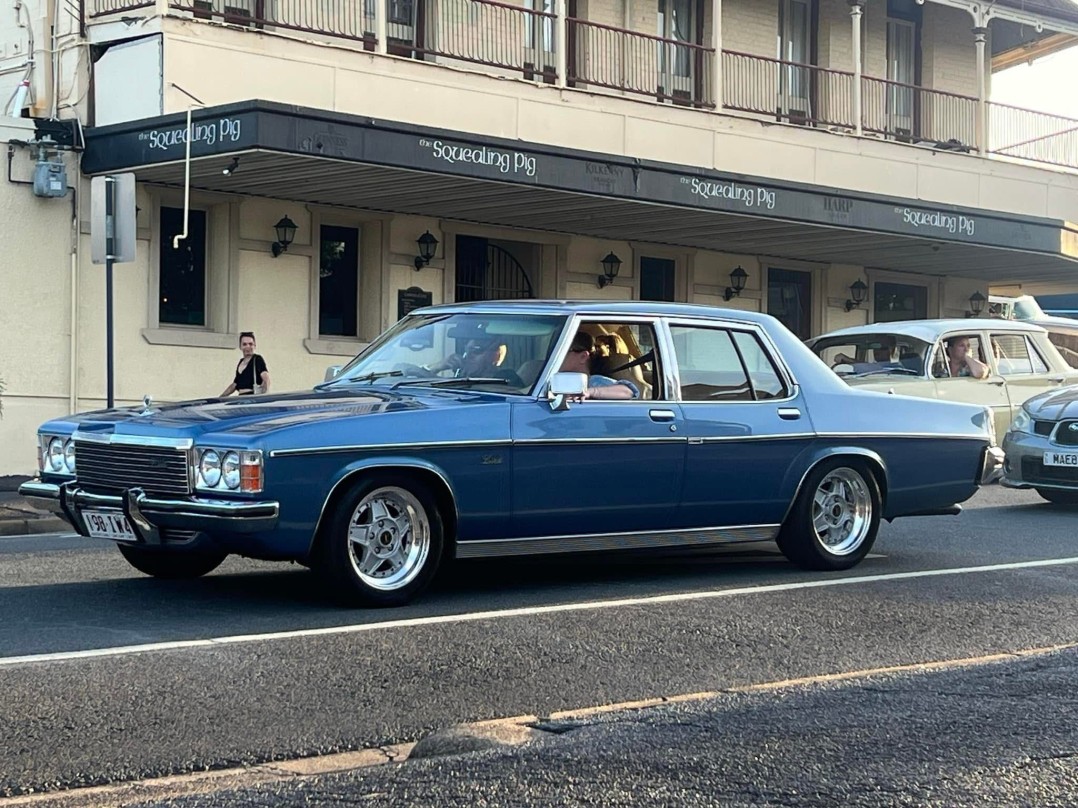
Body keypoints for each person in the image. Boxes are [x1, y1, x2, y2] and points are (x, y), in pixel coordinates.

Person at [560, 332, 639, 400]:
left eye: (562, 351)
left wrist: (590, 392)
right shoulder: (554, 379)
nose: (556, 356)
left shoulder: (593, 381)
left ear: (583, 357)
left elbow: (628, 391)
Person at [220, 331, 270, 397]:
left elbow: (266, 379)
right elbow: (235, 384)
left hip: (252, 397)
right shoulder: (241, 362)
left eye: (250, 344)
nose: (248, 347)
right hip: (241, 398)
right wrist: (221, 397)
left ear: (254, 346)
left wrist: (262, 397)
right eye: (244, 344)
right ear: (240, 346)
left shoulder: (257, 359)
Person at [426, 338, 507, 377]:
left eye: (476, 351)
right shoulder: (459, 378)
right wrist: (436, 367)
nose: (469, 355)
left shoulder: (506, 377)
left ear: (495, 355)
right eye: (467, 350)